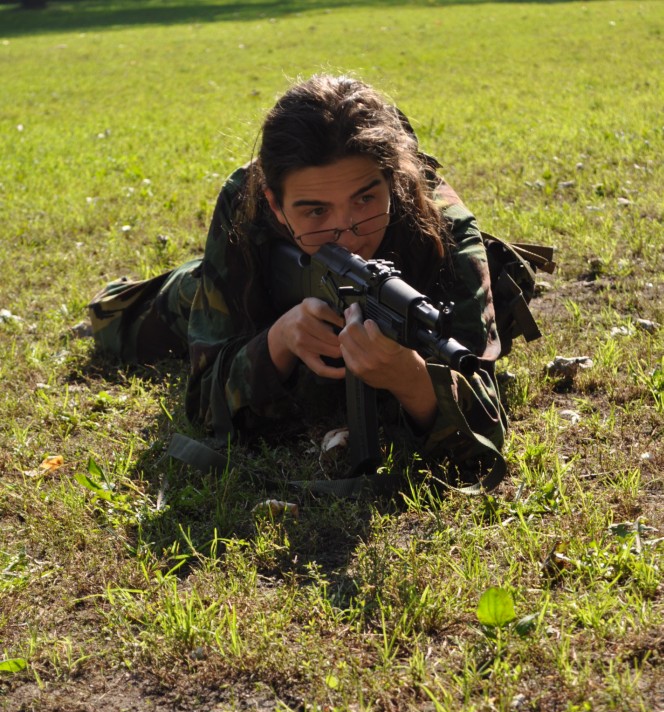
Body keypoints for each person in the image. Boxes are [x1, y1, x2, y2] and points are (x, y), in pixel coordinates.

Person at [89, 75, 505, 483]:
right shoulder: (246, 202)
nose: (349, 232)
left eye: (365, 199)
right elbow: (201, 401)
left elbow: (486, 418)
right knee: (120, 321)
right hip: (215, 290)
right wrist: (278, 341)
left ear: (392, 181)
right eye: (316, 212)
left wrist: (408, 376)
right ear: (275, 204)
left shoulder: (444, 226)